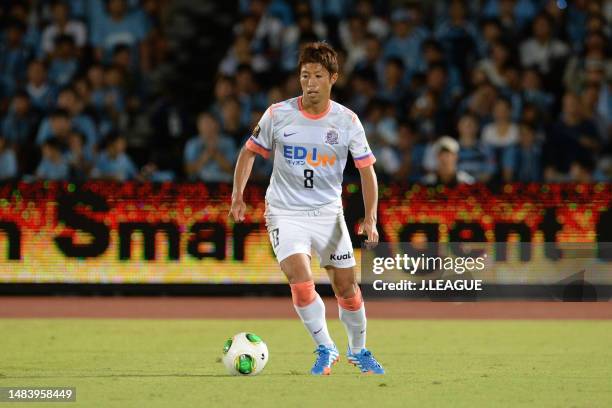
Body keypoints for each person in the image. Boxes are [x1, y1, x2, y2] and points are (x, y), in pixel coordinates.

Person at [229, 42, 384, 375]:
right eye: (304, 75)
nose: (310, 82)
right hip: (285, 212)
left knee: (347, 289)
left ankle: (359, 350)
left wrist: (370, 218)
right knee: (300, 280)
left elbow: (367, 170)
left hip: (329, 215)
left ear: (333, 78)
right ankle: (325, 347)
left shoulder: (347, 121)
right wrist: (237, 196)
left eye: (317, 75)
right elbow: (248, 153)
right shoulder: (277, 114)